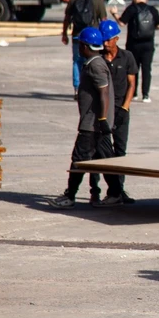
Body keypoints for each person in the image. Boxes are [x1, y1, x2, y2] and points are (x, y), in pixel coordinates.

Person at [50, 26, 121, 209]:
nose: (79, 47)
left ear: (86, 46)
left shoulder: (96, 65)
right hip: (96, 124)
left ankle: (70, 196)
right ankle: (115, 193)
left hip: (93, 125)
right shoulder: (93, 62)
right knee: (105, 160)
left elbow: (104, 92)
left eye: (80, 44)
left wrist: (103, 119)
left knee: (79, 159)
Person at [100, 19, 139, 205]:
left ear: (116, 38)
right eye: (103, 40)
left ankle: (119, 191)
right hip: (104, 111)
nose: (105, 43)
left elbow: (132, 84)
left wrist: (125, 107)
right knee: (102, 152)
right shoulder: (99, 60)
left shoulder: (127, 57)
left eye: (108, 39)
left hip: (121, 110)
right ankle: (102, 191)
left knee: (120, 151)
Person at [62, 0, 107, 97]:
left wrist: (64, 34)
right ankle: (92, 87)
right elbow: (103, 20)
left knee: (77, 62)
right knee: (94, 62)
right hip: (94, 38)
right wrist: (104, 37)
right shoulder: (97, 1)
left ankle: (77, 88)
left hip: (77, 36)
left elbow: (67, 18)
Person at [119, 0, 159, 102]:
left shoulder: (132, 9)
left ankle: (133, 93)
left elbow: (122, 23)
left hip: (133, 44)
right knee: (147, 69)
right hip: (148, 44)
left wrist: (114, 14)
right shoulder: (152, 10)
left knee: (134, 69)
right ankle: (146, 95)